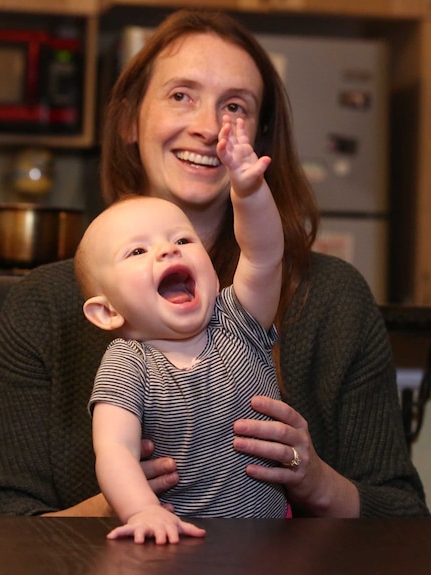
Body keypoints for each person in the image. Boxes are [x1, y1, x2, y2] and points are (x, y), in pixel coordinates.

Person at [0, 8, 430, 520]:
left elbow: (404, 517)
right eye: (180, 96)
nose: (209, 127)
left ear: (256, 140)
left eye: (234, 106)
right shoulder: (44, 304)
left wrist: (316, 482)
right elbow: (2, 522)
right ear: (129, 120)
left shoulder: (333, 297)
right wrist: (122, 502)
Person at [75, 114, 288, 543]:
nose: (168, 249)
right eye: (137, 250)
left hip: (272, 543)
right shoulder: (127, 365)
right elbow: (115, 450)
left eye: (183, 240)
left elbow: (264, 254)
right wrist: (143, 512)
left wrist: (248, 190)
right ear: (107, 313)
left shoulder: (237, 320)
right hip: (181, 543)